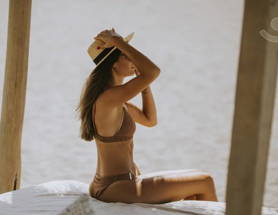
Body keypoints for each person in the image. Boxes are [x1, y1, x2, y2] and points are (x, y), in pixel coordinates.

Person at [75, 28, 218, 204]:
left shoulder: (118, 102)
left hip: (120, 183)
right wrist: (118, 42)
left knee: (193, 193)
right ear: (114, 64)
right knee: (205, 181)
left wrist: (144, 84)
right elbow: (153, 72)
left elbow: (150, 120)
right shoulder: (108, 99)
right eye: (126, 55)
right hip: (114, 186)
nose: (132, 60)